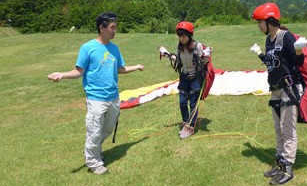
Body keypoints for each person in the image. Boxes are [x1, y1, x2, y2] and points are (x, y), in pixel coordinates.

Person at [47, 12, 144, 175]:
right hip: (96, 98)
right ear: (102, 28)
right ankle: (93, 162)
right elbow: (79, 71)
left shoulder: (114, 48)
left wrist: (136, 66)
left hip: (113, 97)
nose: (115, 31)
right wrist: (62, 75)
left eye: (115, 27)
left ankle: (96, 151)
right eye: (112, 27)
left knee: (107, 128)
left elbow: (120, 69)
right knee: (94, 130)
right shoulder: (88, 48)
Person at [250, 3, 307, 185]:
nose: (259, 26)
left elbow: (299, 62)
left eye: (260, 22)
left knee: (288, 129)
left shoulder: (286, 37)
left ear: (269, 21)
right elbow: (271, 62)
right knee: (278, 129)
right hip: (274, 89)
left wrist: (299, 50)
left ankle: (288, 168)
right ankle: (279, 162)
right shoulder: (269, 40)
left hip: (289, 89)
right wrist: (260, 53)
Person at [159, 21, 211, 139]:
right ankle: (185, 122)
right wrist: (167, 53)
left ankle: (190, 127)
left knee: (193, 103)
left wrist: (206, 57)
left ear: (189, 35)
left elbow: (202, 62)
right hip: (184, 77)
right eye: (179, 35)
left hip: (195, 78)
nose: (181, 38)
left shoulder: (197, 46)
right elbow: (177, 59)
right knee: (182, 102)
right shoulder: (180, 46)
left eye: (183, 35)